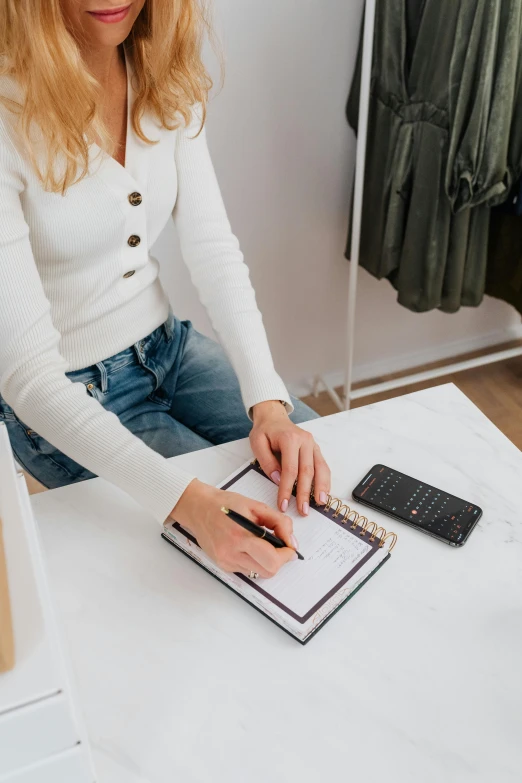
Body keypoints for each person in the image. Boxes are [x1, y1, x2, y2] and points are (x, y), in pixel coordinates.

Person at [0, 0, 331, 579]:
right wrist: (187, 502)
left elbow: (214, 251)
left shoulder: (162, 70)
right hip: (64, 400)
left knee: (321, 477)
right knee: (246, 552)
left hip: (168, 348)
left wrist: (269, 403)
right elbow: (27, 378)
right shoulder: (8, 113)